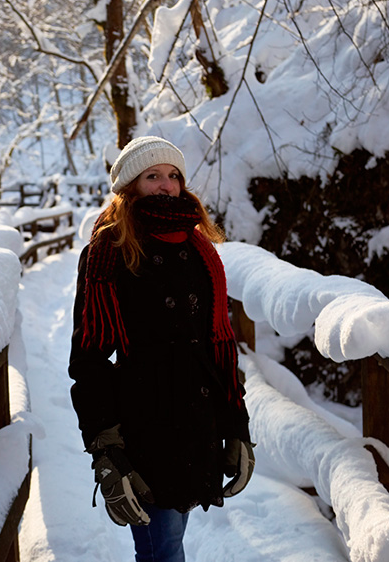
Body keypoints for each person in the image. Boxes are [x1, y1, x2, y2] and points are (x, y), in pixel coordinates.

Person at [68, 136, 255, 562]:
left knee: (169, 545)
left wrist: (238, 426)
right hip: (145, 432)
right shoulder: (109, 253)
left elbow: (221, 348)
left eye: (173, 176)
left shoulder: (200, 249)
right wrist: (107, 452)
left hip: (198, 425)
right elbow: (90, 360)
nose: (166, 184)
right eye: (152, 176)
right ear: (129, 187)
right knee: (163, 551)